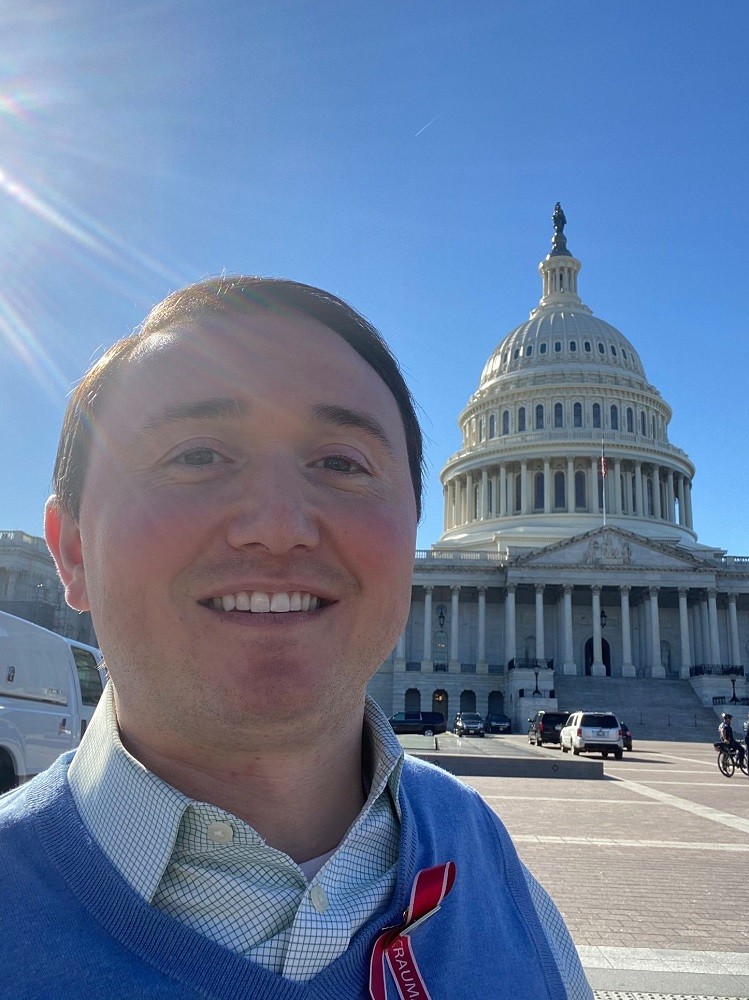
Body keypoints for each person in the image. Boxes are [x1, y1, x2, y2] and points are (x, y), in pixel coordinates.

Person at [0, 277, 592, 999]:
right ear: (73, 552)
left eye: (341, 463)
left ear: (410, 540)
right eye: (196, 455)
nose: (279, 526)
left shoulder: (493, 867)